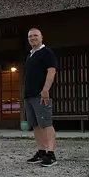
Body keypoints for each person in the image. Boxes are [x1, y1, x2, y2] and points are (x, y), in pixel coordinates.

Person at [23, 28, 58, 167]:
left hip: (40, 95)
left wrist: (45, 90)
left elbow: (51, 71)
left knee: (46, 124)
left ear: (41, 37)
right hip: (29, 95)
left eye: (35, 35)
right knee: (36, 125)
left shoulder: (47, 52)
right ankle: (42, 151)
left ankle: (51, 153)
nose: (33, 38)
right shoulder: (30, 55)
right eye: (30, 36)